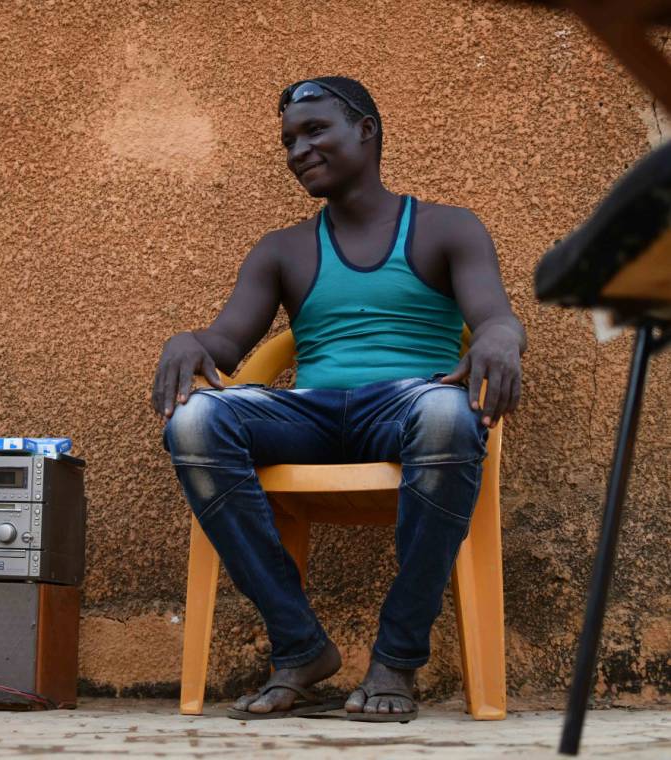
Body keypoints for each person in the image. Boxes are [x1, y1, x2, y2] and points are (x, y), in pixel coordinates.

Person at [153, 77, 525, 722]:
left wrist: (500, 339)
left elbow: (494, 315)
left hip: (411, 403)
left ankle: (397, 659)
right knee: (194, 421)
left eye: (315, 130)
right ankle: (300, 647)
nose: (299, 149)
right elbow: (227, 343)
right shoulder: (281, 249)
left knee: (447, 413)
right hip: (309, 413)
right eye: (289, 140)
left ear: (368, 131)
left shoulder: (447, 227)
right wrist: (189, 342)